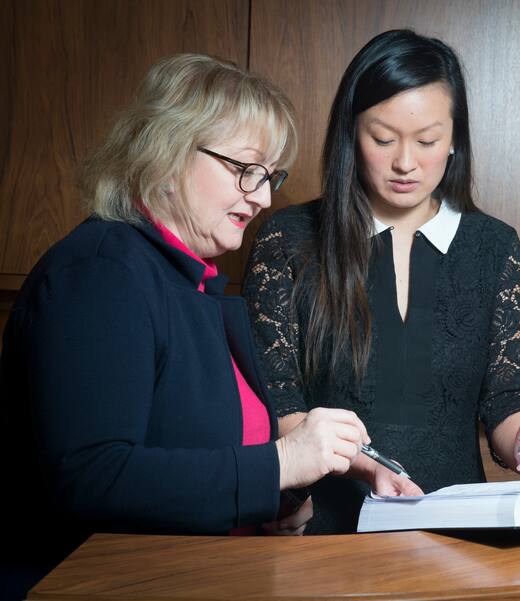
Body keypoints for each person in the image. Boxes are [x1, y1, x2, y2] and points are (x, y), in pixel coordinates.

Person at [0, 54, 370, 596]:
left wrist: (277, 500)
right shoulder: (101, 272)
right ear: (168, 152)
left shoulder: (194, 283)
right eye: (246, 169)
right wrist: (280, 464)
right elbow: (91, 478)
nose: (263, 196)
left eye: (269, 175)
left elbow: (198, 457)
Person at [243, 29, 520, 535]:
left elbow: (509, 397)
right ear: (351, 134)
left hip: (462, 534)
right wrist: (364, 466)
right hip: (323, 534)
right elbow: (276, 403)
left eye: (427, 141)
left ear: (455, 139)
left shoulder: (493, 246)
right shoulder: (289, 239)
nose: (405, 162)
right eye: (382, 139)